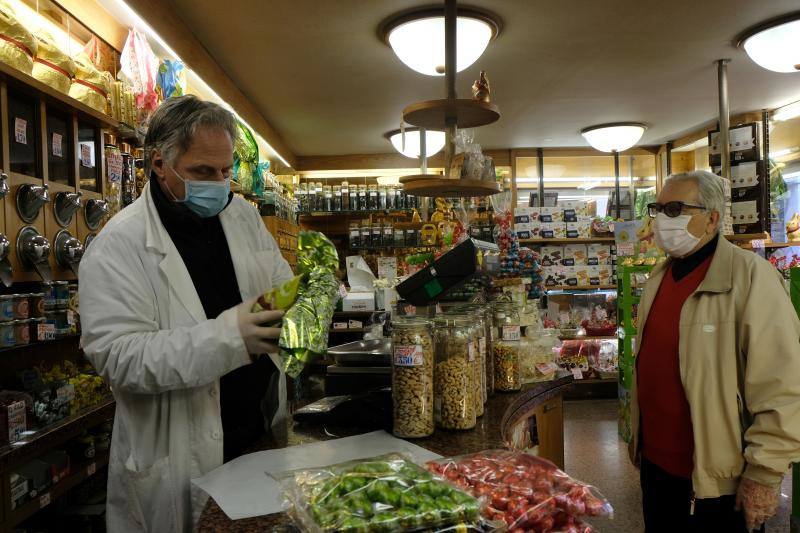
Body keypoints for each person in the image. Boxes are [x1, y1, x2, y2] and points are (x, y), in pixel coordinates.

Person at [80, 95, 294, 532]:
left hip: (258, 436)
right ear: (160, 163)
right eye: (202, 172)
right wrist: (233, 337)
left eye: (225, 170)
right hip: (181, 457)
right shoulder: (118, 246)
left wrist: (298, 310)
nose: (219, 184)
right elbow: (119, 357)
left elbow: (279, 285)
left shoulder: (243, 218)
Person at [630, 170, 800, 532]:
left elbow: (782, 385)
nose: (661, 219)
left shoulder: (751, 277)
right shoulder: (659, 278)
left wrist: (766, 472)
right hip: (658, 469)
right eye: (657, 208)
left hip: (720, 479)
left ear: (712, 218)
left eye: (675, 208)